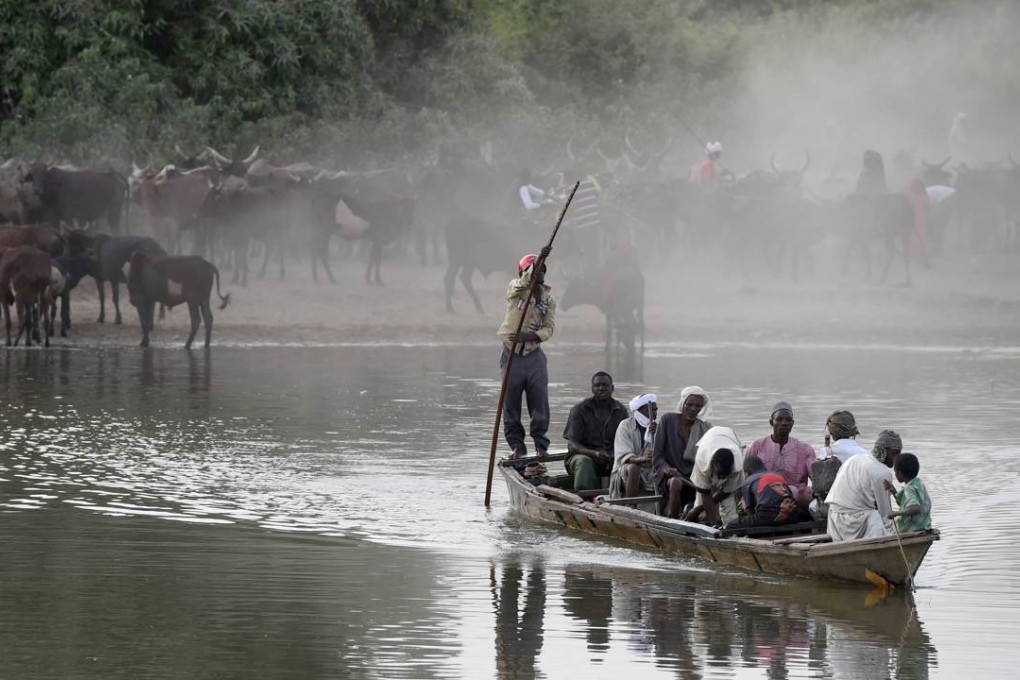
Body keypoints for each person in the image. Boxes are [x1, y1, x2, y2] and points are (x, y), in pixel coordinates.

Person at [497, 246, 556, 459]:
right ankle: (517, 446)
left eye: (542, 270)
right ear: (524, 271)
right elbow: (522, 283)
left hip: (534, 357)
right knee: (510, 404)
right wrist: (538, 260)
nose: (539, 273)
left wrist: (530, 336)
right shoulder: (516, 287)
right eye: (535, 270)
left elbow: (549, 328)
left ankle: (541, 444)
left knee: (539, 402)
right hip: (511, 356)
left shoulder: (548, 300)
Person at [825, 430, 902, 541]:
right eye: (895, 453)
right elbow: (885, 514)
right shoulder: (882, 473)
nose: (897, 458)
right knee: (878, 518)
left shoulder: (855, 459)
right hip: (854, 523)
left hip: (834, 519)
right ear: (884, 451)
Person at [653, 386, 713, 519]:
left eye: (698, 406)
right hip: (667, 476)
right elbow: (657, 456)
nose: (693, 409)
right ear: (682, 403)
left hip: (693, 477)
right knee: (675, 482)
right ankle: (674, 522)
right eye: (689, 404)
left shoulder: (705, 427)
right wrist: (667, 469)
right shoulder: (667, 420)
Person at [562, 372, 629, 491]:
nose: (601, 388)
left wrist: (615, 455)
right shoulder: (579, 410)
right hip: (584, 457)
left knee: (629, 464)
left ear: (612, 388)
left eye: (605, 385)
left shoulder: (621, 411)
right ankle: (585, 498)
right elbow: (573, 445)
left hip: (611, 458)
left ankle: (626, 499)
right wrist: (595, 454)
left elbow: (626, 440)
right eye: (597, 385)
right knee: (584, 462)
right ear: (592, 389)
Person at [745, 401, 816, 506]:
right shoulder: (757, 446)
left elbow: (816, 478)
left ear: (792, 423)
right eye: (779, 419)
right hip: (766, 496)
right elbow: (747, 478)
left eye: (788, 420)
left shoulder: (805, 449)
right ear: (771, 422)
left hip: (798, 496)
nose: (784, 423)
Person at [726, 456, 811, 530]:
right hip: (793, 514)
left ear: (747, 471)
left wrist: (755, 520)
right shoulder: (777, 475)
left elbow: (749, 509)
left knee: (731, 525)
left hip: (768, 516)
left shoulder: (748, 481)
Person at [689, 426, 744, 526]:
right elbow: (705, 493)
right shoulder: (702, 460)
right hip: (708, 441)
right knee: (699, 501)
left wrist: (704, 506)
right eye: (721, 474)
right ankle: (698, 528)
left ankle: (732, 530)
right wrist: (712, 524)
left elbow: (726, 492)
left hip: (731, 438)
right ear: (713, 464)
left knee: (728, 505)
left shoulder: (737, 465)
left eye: (726, 474)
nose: (723, 477)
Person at [609, 393, 658, 498]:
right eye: (649, 410)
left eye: (655, 410)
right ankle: (631, 505)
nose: (654, 413)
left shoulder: (657, 429)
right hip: (625, 471)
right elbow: (624, 456)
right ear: (638, 411)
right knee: (633, 468)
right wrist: (642, 458)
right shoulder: (625, 426)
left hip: (649, 470)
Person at [883, 453, 932, 533]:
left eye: (895, 472)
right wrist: (894, 492)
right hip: (923, 526)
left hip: (911, 529)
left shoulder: (909, 489)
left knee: (884, 530)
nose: (895, 474)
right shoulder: (918, 483)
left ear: (900, 474)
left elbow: (915, 508)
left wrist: (896, 513)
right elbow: (906, 502)